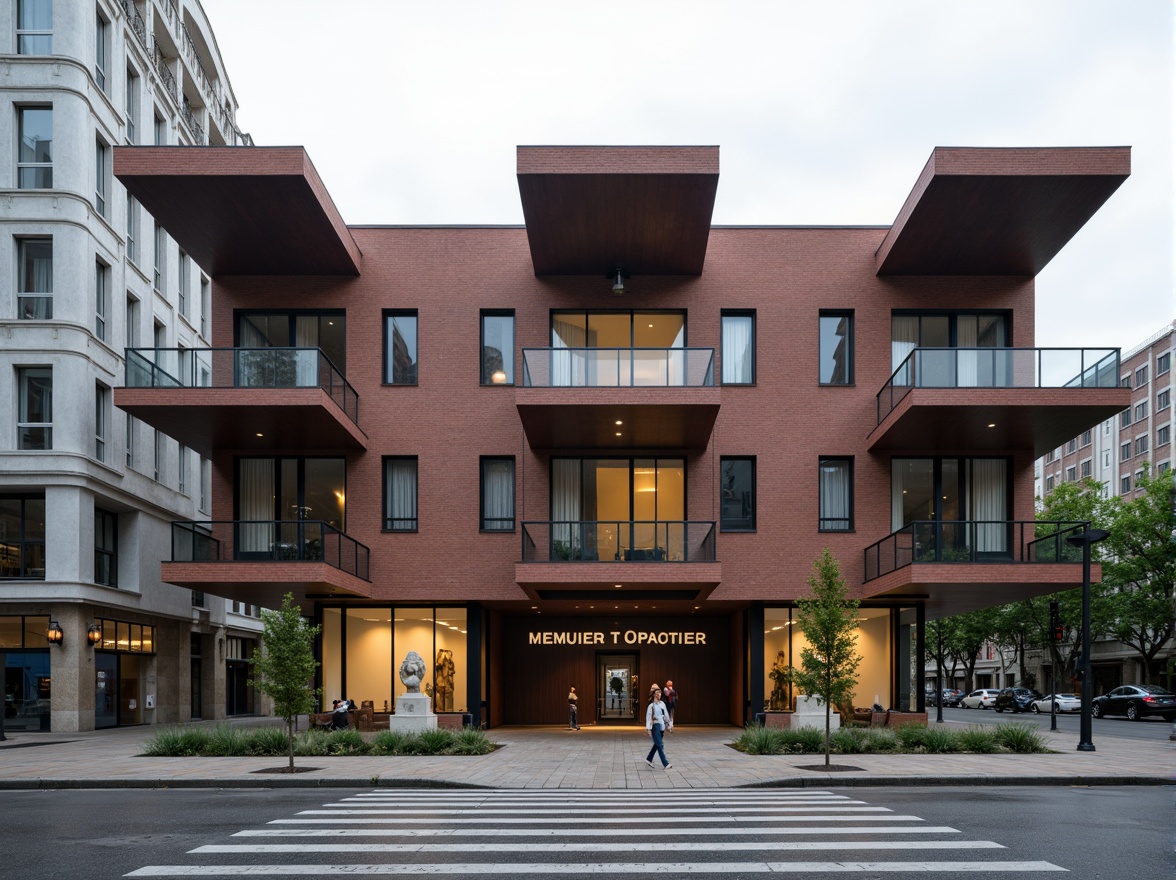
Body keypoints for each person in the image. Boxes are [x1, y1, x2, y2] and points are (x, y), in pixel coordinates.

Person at [645, 686, 673, 769]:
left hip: (661, 726)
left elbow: (666, 715)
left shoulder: (662, 704)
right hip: (655, 725)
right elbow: (648, 717)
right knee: (660, 744)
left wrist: (669, 724)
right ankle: (665, 763)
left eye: (659, 694)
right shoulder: (651, 706)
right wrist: (649, 728)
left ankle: (649, 759)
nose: (658, 695)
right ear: (654, 695)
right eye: (657, 694)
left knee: (657, 744)